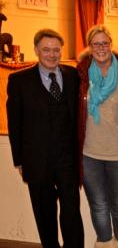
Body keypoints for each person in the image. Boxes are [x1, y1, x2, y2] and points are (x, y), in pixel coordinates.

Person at [7, 28, 84, 247]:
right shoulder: (19, 80)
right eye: (46, 50)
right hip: (36, 160)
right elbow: (15, 123)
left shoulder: (73, 76)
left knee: (71, 213)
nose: (52, 54)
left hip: (67, 160)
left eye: (56, 50)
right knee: (45, 215)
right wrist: (19, 160)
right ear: (36, 51)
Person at [77, 25, 118, 248]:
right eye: (96, 43)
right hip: (89, 153)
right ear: (90, 47)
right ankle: (104, 243)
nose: (101, 48)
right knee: (98, 206)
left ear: (111, 44)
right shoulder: (81, 73)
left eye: (105, 43)